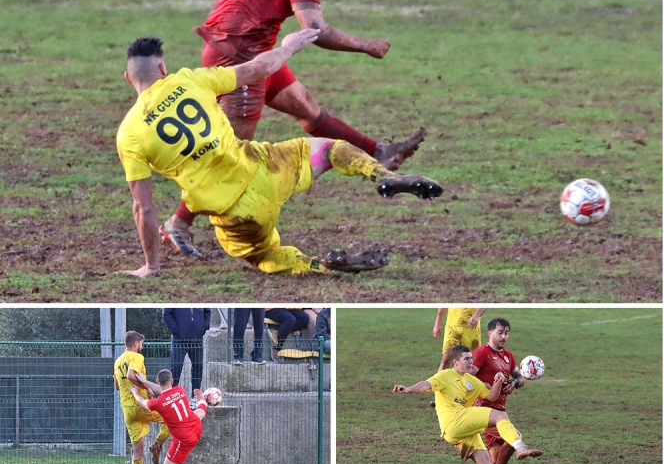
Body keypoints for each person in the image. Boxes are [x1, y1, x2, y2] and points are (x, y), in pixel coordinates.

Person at [134, 0, 426, 257]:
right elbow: (316, 30)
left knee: (305, 106)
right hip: (239, 57)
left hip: (251, 51)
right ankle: (178, 222)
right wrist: (368, 46)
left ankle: (378, 151)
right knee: (230, 153)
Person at [116, 29, 442, 278]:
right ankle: (382, 174)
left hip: (236, 215)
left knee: (263, 256)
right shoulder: (190, 80)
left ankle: (321, 265)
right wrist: (290, 45)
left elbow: (143, 208)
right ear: (162, 68)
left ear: (129, 77)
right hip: (265, 168)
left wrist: (151, 266)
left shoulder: (129, 134)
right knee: (330, 149)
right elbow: (259, 68)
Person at [393, 345, 543, 464]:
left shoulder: (472, 381)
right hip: (454, 421)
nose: (471, 361)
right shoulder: (445, 376)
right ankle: (519, 446)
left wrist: (497, 382)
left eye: (471, 358)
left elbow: (492, 398)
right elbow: (426, 384)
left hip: (458, 431)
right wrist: (409, 388)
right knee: (500, 416)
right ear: (455, 362)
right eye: (466, 359)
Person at [130, 369, 210, 464]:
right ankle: (203, 401)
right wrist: (143, 381)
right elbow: (163, 390)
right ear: (172, 381)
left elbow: (142, 402)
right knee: (197, 414)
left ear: (157, 381)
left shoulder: (158, 403)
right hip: (196, 427)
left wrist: (135, 392)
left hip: (184, 439)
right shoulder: (180, 390)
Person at [471, 318, 526, 464]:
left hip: (500, 410)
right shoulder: (482, 353)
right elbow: (467, 377)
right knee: (515, 438)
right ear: (490, 333)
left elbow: (520, 377)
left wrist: (514, 384)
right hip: (486, 411)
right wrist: (480, 388)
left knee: (496, 454)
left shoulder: (508, 356)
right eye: (500, 332)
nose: (504, 336)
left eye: (507, 333)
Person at [113, 330, 172, 464]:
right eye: (141, 344)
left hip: (127, 409)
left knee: (137, 450)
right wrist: (146, 387)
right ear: (136, 344)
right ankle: (157, 445)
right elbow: (132, 375)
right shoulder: (136, 357)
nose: (142, 347)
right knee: (170, 419)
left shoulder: (117, 361)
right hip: (139, 404)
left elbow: (117, 385)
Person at [162, 308, 211, 396]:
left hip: (197, 339)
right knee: (176, 367)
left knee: (198, 367)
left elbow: (207, 311)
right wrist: (176, 330)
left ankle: (195, 397)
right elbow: (166, 314)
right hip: (179, 340)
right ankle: (171, 396)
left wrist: (205, 326)